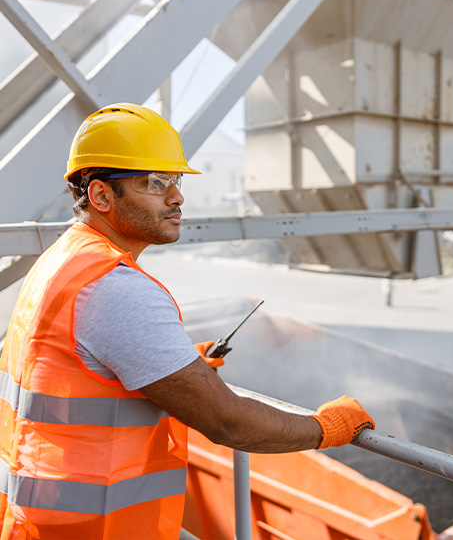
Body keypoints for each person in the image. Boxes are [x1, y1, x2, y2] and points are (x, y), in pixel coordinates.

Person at [0, 103, 375, 540]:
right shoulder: (116, 288)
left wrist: (176, 366)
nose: (177, 197)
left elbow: (66, 368)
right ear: (101, 196)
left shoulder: (62, 260)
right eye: (155, 183)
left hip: (40, 519)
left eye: (175, 181)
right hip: (94, 529)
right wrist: (326, 428)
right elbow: (227, 422)